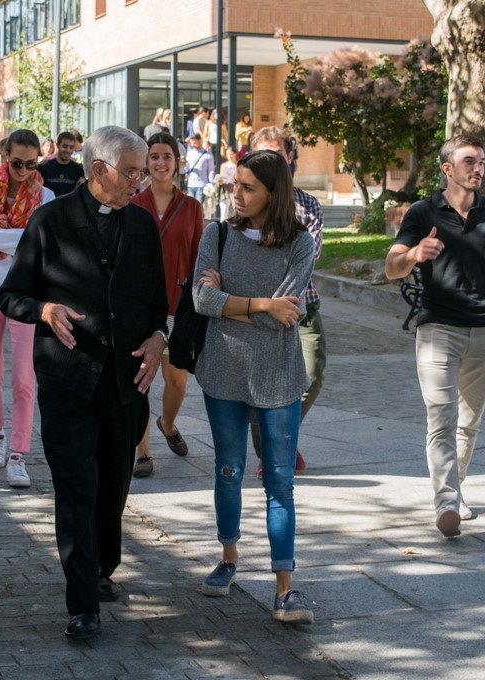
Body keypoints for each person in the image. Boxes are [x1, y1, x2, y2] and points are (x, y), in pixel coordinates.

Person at [0, 126, 168, 640]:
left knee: (112, 486)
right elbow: (11, 296)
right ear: (98, 171)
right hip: (68, 381)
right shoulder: (49, 222)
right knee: (76, 487)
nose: (141, 181)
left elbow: (158, 302)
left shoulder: (142, 224)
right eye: (133, 172)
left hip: (126, 382)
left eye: (143, 172)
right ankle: (82, 603)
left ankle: (101, 569)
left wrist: (160, 337)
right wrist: (44, 309)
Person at [192, 149, 316, 625]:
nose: (236, 194)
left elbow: (285, 318)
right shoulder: (217, 233)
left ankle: (286, 589)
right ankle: (228, 558)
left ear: (272, 193)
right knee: (228, 469)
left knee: (280, 481)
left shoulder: (299, 244)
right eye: (235, 184)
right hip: (222, 370)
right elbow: (202, 299)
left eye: (248, 187)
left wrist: (235, 302)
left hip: (278, 377)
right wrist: (263, 305)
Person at [384, 134, 485, 538]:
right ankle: (446, 501)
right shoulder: (423, 212)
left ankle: (455, 491)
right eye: (468, 162)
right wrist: (413, 255)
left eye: (481, 161)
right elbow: (391, 266)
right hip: (438, 328)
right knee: (442, 416)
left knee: (469, 422)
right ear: (447, 169)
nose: (478, 168)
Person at [0, 129, 56, 488]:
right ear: (5, 154)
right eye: (16, 162)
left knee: (24, 378)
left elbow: (44, 241)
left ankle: (18, 454)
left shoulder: (46, 195)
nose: (23, 170)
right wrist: (24, 237)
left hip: (27, 293)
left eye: (31, 163)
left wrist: (3, 235)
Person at [249, 126, 324, 476]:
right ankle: (274, 450)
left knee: (311, 372)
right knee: (259, 383)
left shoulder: (307, 204)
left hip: (302, 305)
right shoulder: (245, 202)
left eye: (277, 154)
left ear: (290, 157)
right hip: (254, 310)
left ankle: (283, 438)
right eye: (262, 154)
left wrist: (281, 298)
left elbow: (310, 259)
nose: (270, 162)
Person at [130, 132, 205, 478]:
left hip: (177, 307)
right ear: (146, 161)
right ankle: (142, 452)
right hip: (141, 308)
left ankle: (168, 422)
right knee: (141, 382)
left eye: (167, 157)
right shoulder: (131, 203)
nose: (160, 163)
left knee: (177, 383)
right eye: (154, 156)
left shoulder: (191, 207)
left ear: (177, 162)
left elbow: (198, 257)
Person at [36, 131, 85, 198]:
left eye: (71, 147)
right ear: (57, 145)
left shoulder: (78, 169)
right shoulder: (44, 167)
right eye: (65, 146)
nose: (68, 150)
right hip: (48, 207)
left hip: (69, 207)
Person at [183, 133, 214, 203]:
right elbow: (187, 168)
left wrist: (211, 184)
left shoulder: (207, 155)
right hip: (190, 184)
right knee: (190, 207)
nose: (193, 144)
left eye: (195, 142)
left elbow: (211, 171)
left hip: (202, 185)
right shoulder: (189, 153)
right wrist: (183, 164)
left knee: (198, 207)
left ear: (199, 141)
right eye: (192, 142)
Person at [216, 149, 238, 221]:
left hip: (235, 190)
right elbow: (221, 176)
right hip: (225, 190)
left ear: (235, 154)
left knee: (236, 210)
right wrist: (220, 181)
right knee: (224, 211)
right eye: (228, 154)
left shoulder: (238, 164)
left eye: (231, 154)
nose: (229, 156)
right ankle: (222, 228)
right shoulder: (223, 165)